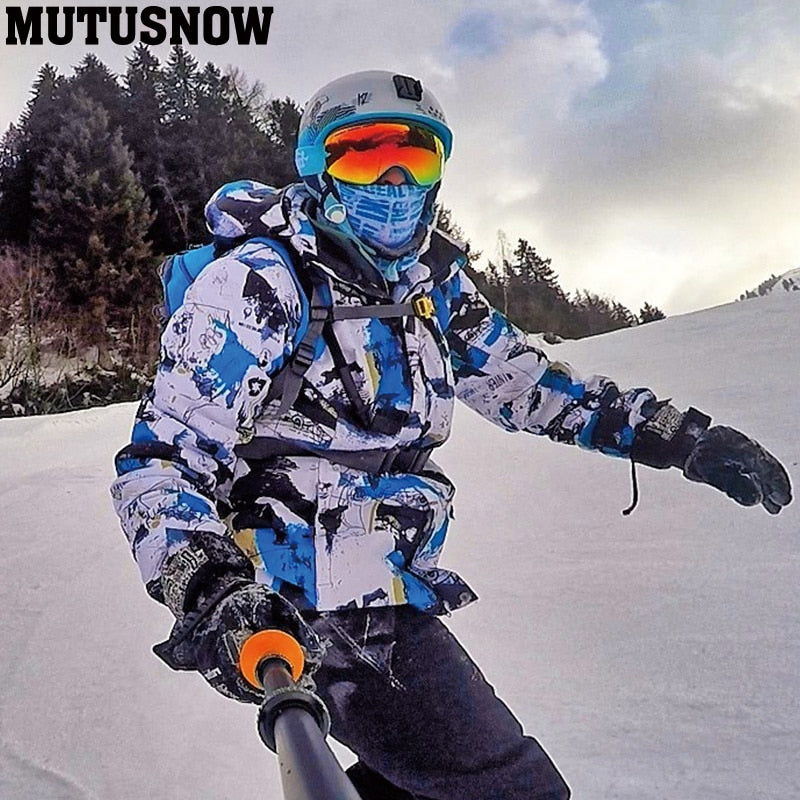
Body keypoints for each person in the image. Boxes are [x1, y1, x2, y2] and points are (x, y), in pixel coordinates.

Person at [111, 70, 792, 800]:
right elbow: (163, 458)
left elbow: (528, 386)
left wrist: (679, 438)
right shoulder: (259, 283)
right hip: (301, 596)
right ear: (320, 170)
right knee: (510, 790)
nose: (395, 183)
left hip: (386, 580)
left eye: (415, 158)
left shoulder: (430, 289)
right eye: (366, 158)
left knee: (420, 783)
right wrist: (211, 588)